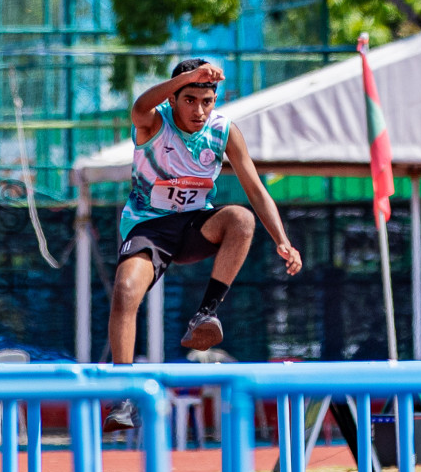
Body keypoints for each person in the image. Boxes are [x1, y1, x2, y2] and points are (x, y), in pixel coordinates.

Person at [105, 59, 303, 432]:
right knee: (125, 290)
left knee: (241, 219)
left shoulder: (223, 131)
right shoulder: (154, 122)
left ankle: (206, 313)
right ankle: (125, 395)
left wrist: (283, 240)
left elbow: (256, 189)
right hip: (149, 226)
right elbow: (139, 107)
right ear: (174, 97)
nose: (199, 110)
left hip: (196, 225)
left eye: (207, 101)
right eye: (190, 99)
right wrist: (185, 78)